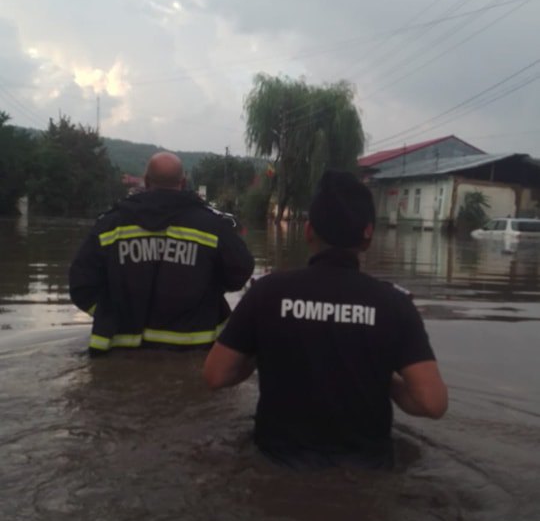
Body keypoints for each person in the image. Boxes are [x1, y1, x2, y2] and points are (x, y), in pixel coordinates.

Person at [204, 170, 447, 467]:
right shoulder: (395, 304)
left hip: (277, 463)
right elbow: (431, 403)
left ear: (308, 231)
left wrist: (263, 350)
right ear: (368, 233)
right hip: (367, 471)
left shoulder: (266, 293)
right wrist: (384, 378)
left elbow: (216, 375)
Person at [69, 152, 254, 354]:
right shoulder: (213, 225)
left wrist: (108, 314)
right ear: (183, 182)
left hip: (120, 351)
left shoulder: (110, 224)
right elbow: (240, 272)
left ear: (146, 181)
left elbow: (80, 284)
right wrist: (207, 290)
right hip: (192, 350)